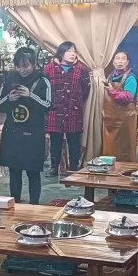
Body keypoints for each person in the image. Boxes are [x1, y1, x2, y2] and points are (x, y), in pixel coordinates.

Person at [0, 47, 52, 203]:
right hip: (13, 133)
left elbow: (48, 106)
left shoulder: (42, 80)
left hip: (33, 134)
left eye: (26, 66)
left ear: (34, 64)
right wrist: (9, 99)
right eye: (19, 66)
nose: (22, 70)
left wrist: (30, 95)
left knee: (33, 172)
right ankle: (15, 203)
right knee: (14, 171)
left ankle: (34, 205)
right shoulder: (9, 80)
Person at [44, 41, 90, 176]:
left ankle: (73, 167)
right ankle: (54, 167)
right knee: (55, 141)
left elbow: (86, 89)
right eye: (69, 51)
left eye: (74, 51)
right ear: (61, 53)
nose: (72, 54)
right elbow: (44, 88)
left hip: (73, 110)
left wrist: (76, 100)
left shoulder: (82, 69)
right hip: (55, 110)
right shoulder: (49, 68)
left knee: (74, 141)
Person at [102, 49, 138, 160]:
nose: (120, 61)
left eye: (123, 59)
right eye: (117, 58)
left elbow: (129, 96)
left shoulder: (130, 77)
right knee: (109, 148)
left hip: (125, 120)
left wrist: (112, 91)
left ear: (127, 62)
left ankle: (125, 169)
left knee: (124, 149)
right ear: (113, 62)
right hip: (110, 120)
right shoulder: (109, 77)